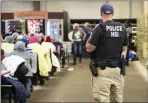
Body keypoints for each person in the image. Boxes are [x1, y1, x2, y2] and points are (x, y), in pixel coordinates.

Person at [86, 3, 128, 102]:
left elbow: (89, 48)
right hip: (118, 70)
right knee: (117, 99)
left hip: (103, 70)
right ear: (113, 13)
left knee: (103, 98)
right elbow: (124, 48)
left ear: (101, 13)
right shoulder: (122, 28)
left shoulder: (99, 28)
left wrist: (88, 41)